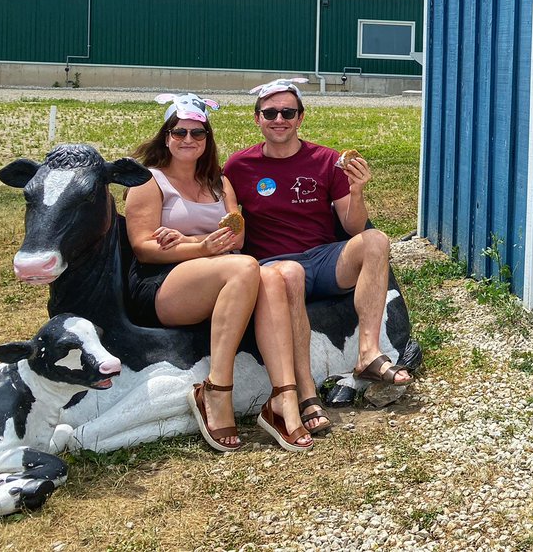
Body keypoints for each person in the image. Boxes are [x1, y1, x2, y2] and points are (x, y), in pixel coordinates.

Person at [124, 92, 313, 453]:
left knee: (270, 276)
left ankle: (283, 398)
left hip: (217, 272)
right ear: (166, 136)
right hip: (162, 283)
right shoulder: (149, 181)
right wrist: (200, 247)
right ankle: (216, 388)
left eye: (198, 134)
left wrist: (191, 238)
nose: (188, 140)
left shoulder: (218, 182)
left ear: (207, 140)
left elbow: (236, 232)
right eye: (180, 133)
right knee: (246, 266)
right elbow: (143, 247)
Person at [223, 78, 411, 431]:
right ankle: (306, 393)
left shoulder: (326, 161)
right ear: (257, 119)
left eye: (288, 112)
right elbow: (226, 219)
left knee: (375, 240)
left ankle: (368, 352)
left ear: (301, 117)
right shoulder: (237, 167)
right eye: (270, 113)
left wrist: (356, 191)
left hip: (323, 258)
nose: (279, 119)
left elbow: (354, 227)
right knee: (289, 273)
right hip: (273, 266)